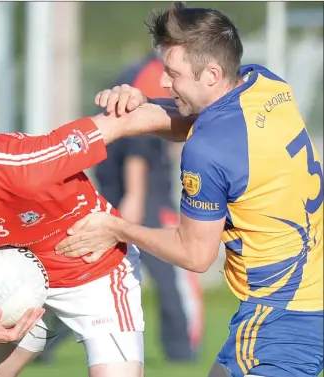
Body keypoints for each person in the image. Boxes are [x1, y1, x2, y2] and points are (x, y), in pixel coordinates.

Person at [54, 3, 324, 377]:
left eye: (173, 73)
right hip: (308, 298)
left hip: (278, 321)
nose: (164, 82)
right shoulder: (266, 84)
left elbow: (195, 254)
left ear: (212, 74)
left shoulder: (208, 149)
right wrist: (144, 104)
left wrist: (115, 229)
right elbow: (205, 120)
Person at [0, 105, 191, 377]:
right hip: (25, 286)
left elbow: (120, 122)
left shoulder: (26, 162)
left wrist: (205, 124)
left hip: (98, 276)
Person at [94, 51, 203, 361]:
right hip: (142, 196)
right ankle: (182, 351)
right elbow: (137, 142)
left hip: (116, 189)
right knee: (172, 273)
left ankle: (40, 345)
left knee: (87, 273)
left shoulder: (135, 70)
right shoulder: (153, 74)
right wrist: (136, 196)